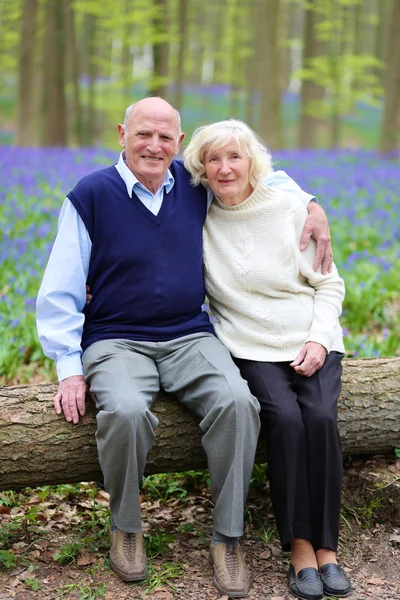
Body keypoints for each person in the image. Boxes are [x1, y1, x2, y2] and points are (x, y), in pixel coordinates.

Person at [36, 97, 332, 598]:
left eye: (165, 137)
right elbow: (60, 290)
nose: (154, 146)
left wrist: (312, 204)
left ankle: (228, 537)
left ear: (179, 143)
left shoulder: (195, 188)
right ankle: (126, 528)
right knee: (127, 411)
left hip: (189, 334)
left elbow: (262, 177)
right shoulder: (89, 195)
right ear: (121, 134)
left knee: (239, 404)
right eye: (143, 134)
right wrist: (69, 366)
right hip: (115, 340)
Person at [183, 119, 351, 600]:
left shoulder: (290, 208)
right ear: (201, 168)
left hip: (309, 338)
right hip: (248, 344)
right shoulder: (200, 221)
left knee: (319, 417)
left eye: (235, 156)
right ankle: (300, 549)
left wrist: (319, 339)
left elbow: (328, 283)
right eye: (213, 159)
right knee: (285, 422)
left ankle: (328, 551)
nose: (224, 167)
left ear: (253, 161)